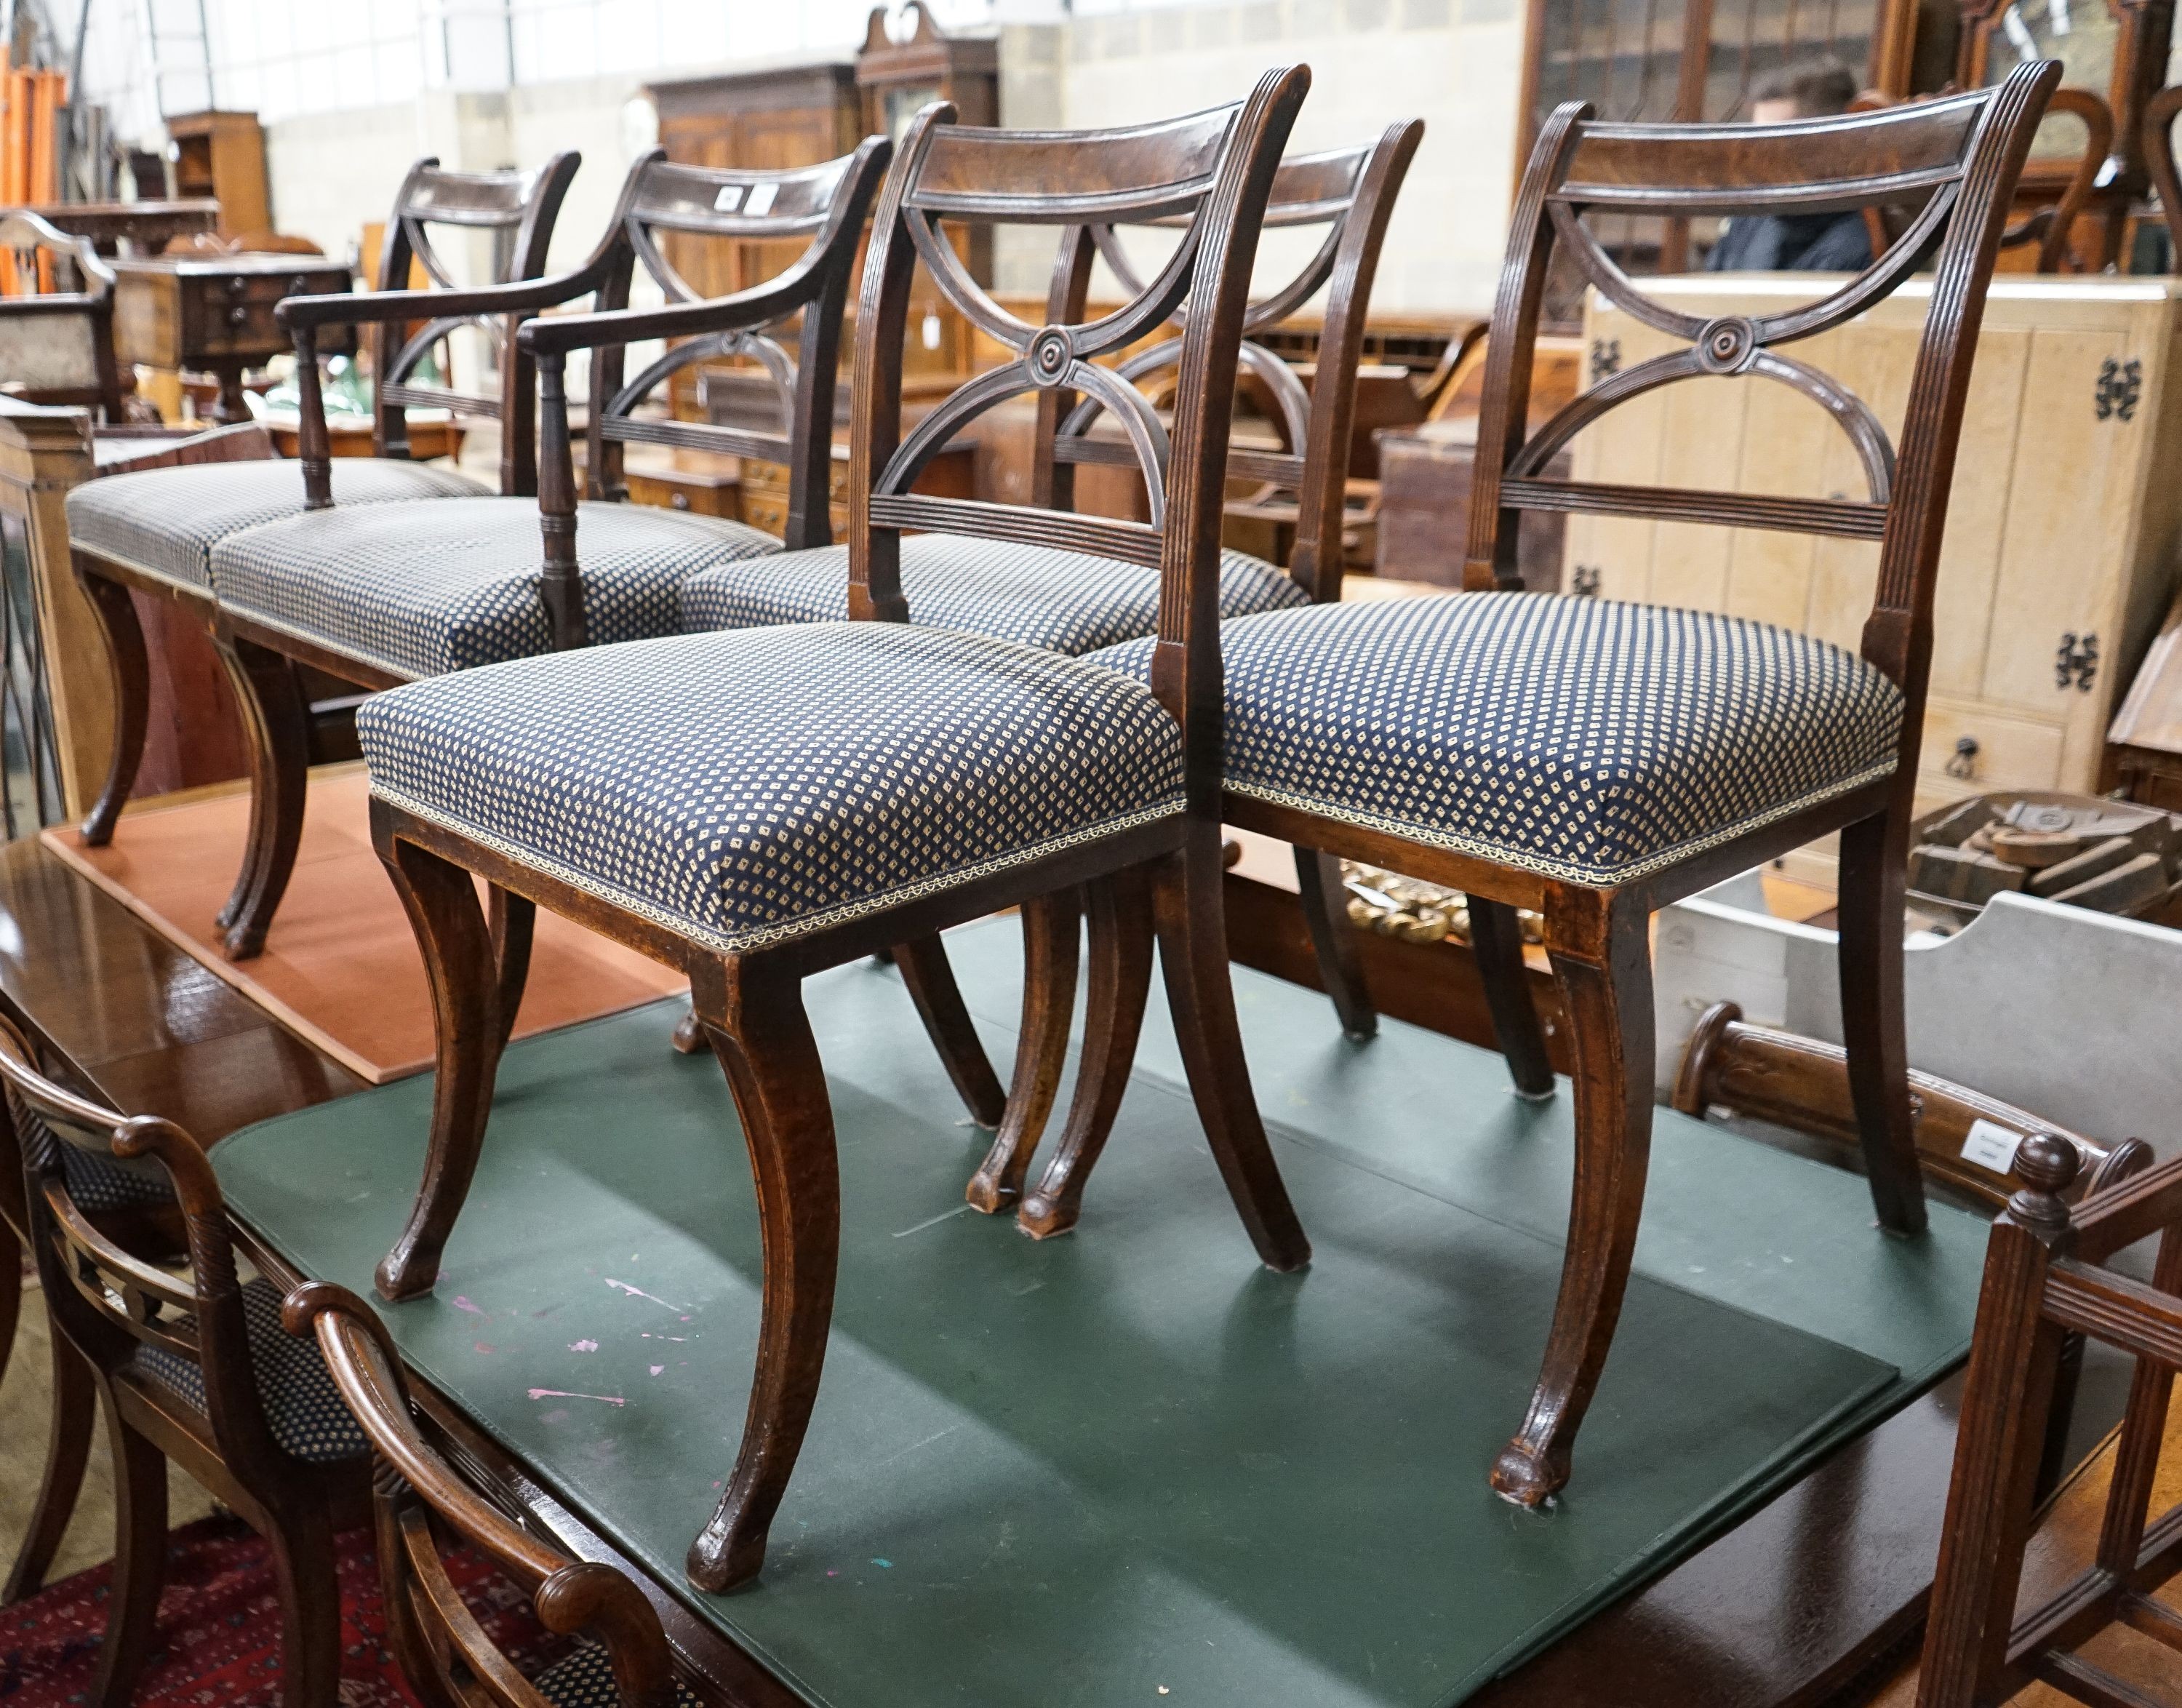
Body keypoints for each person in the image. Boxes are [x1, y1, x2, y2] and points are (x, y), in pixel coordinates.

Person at [1706, 62, 1875, 271]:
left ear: (1826, 146)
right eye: (1755, 141)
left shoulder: (1863, 242)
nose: (1758, 156)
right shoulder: (1749, 221)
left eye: (1774, 143)